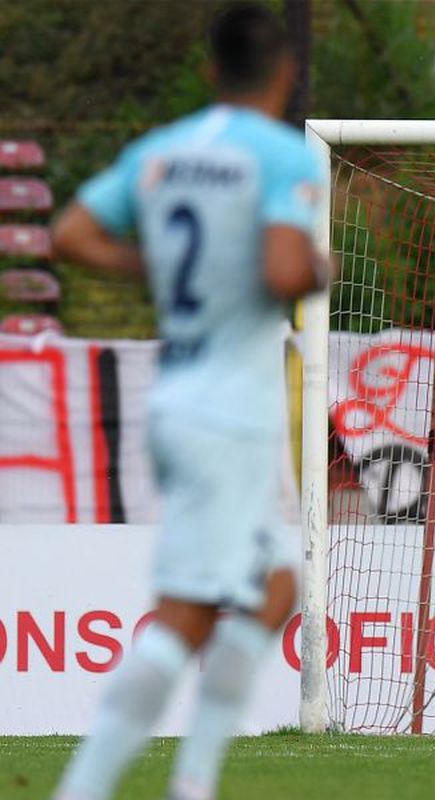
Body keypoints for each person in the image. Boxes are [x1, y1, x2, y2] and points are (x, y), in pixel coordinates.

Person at [50, 5, 327, 799]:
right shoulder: (279, 157)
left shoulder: (163, 150)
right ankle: (87, 786)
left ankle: (195, 779)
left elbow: (70, 233)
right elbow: (281, 273)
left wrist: (167, 271)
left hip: (180, 395)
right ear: (284, 75)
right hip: (229, 413)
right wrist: (316, 269)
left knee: (275, 585)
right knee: (186, 613)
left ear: (211, 71)